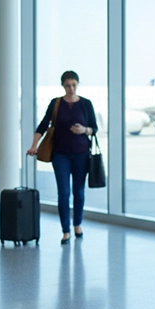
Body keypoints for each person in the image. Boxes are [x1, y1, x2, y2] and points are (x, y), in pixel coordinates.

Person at [28, 71, 97, 244]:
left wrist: (84, 130)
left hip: (81, 154)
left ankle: (77, 225)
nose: (71, 88)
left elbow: (94, 128)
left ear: (77, 84)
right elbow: (44, 124)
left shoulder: (86, 104)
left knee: (78, 192)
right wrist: (34, 145)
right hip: (60, 154)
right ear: (63, 86)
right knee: (64, 192)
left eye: (74, 85)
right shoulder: (56, 103)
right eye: (67, 85)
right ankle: (66, 230)